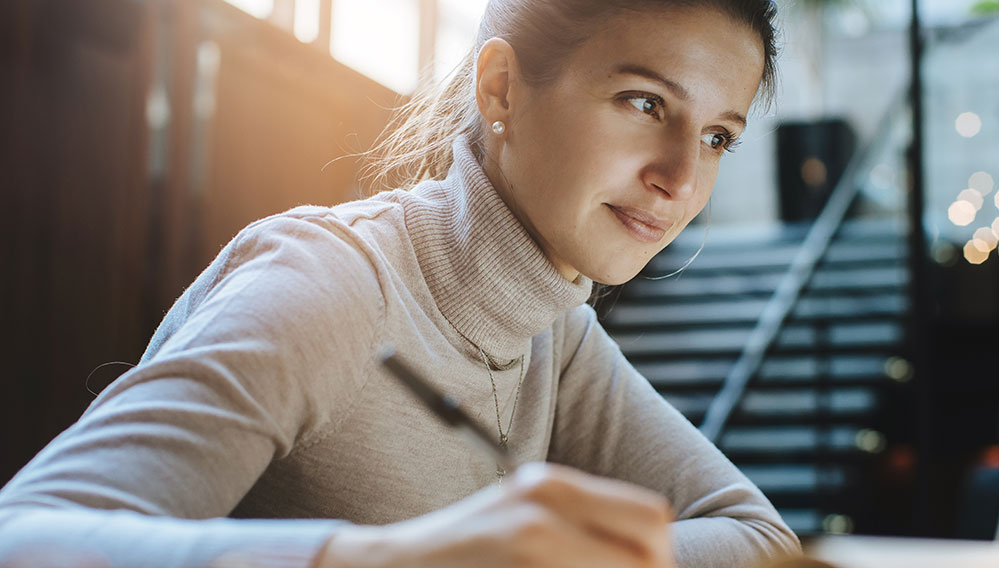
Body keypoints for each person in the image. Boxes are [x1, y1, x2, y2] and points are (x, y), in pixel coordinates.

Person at [0, 0, 801, 566]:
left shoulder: (555, 332)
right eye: (644, 101)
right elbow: (27, 535)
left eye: (718, 136)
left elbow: (758, 538)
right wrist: (395, 559)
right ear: (501, 90)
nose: (680, 177)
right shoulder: (333, 282)